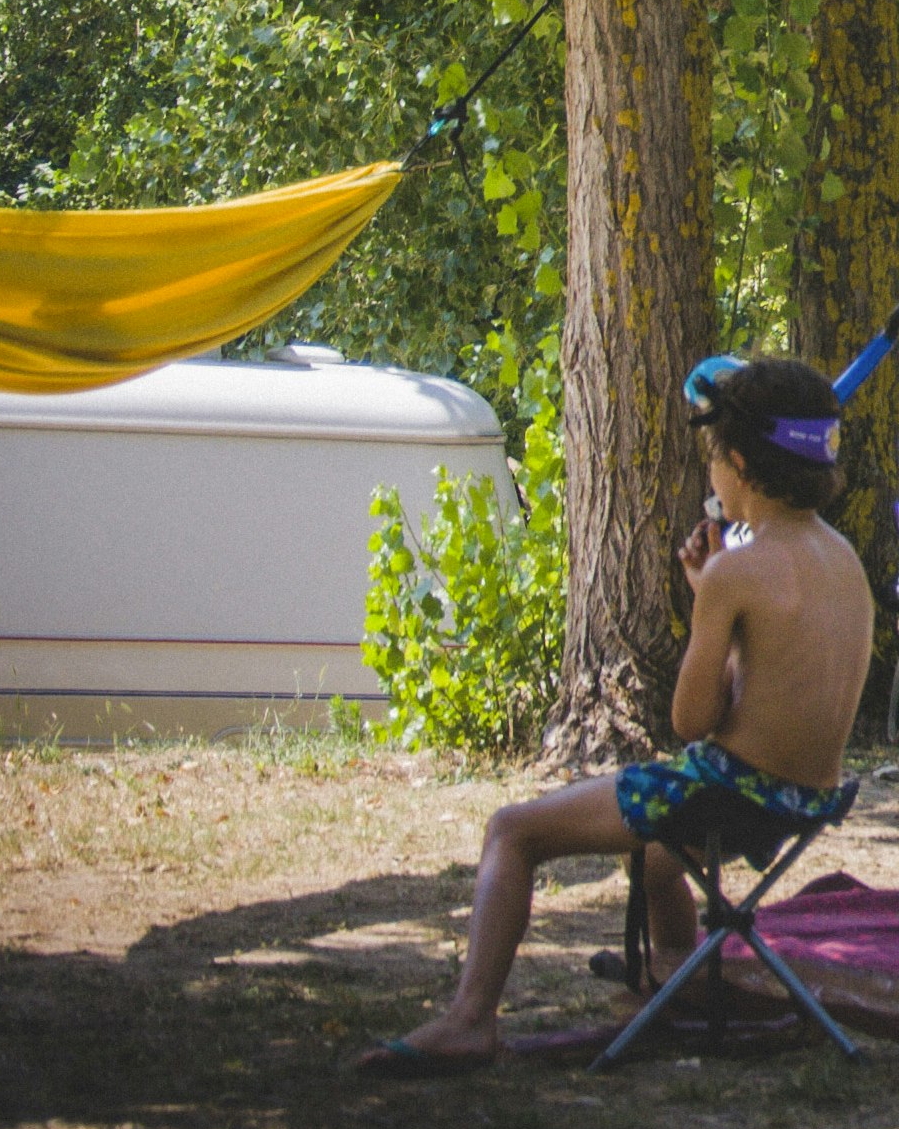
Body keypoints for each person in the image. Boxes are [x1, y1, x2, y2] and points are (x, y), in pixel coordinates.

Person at [359, 354, 873, 1076]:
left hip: (731, 790)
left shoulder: (737, 570)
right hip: (803, 797)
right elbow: (769, 692)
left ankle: (469, 1017)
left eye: (713, 460)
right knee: (662, 862)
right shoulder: (845, 559)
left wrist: (705, 596)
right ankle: (674, 975)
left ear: (736, 462)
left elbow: (692, 721)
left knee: (513, 830)